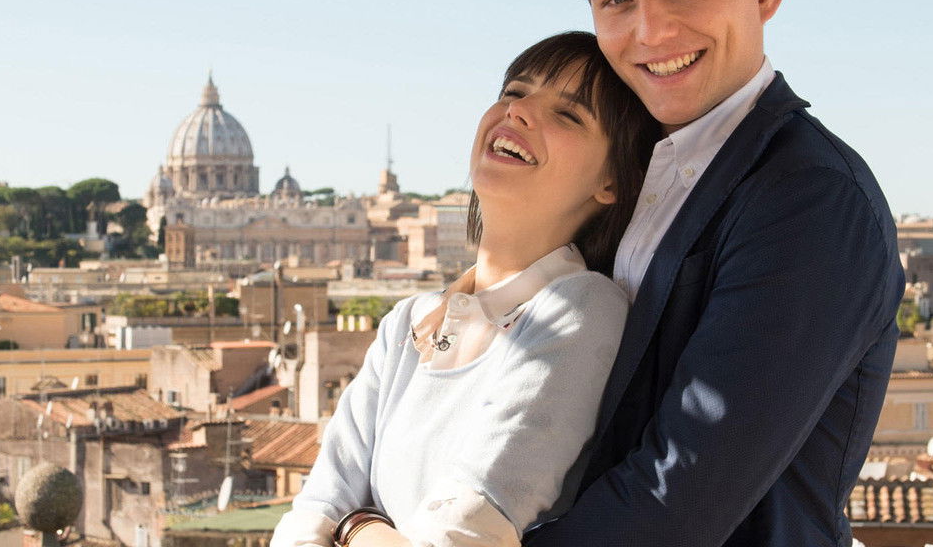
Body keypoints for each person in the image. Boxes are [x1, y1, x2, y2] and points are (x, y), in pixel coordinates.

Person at [521, 0, 904, 547]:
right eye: (617, 0)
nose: (652, 31)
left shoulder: (812, 199)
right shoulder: (627, 171)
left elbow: (677, 501)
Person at [270, 31, 659, 547]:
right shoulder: (405, 323)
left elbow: (462, 533)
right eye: (514, 91)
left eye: (568, 115)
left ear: (610, 182)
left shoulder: (582, 309)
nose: (517, 112)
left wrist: (355, 524)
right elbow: (311, 512)